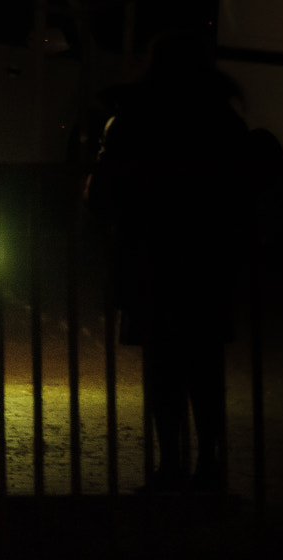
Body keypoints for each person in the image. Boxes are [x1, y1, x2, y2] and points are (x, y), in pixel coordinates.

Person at [88, 26, 253, 493]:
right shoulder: (220, 119)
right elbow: (242, 191)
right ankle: (209, 463)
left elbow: (104, 192)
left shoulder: (133, 118)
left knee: (163, 367)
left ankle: (171, 464)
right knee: (204, 365)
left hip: (152, 259)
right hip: (206, 261)